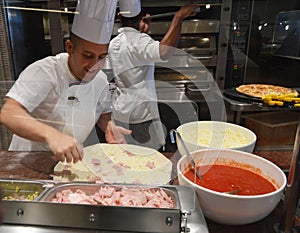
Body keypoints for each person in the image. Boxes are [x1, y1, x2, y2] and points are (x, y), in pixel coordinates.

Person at [0, 0, 131, 163]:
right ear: (70, 47)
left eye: (102, 57)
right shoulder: (46, 71)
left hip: (69, 164)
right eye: (88, 56)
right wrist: (51, 135)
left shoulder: (101, 81)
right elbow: (9, 113)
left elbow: (103, 111)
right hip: (27, 162)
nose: (94, 65)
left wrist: (109, 126)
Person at [108, 0, 199, 150]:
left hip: (120, 111)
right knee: (146, 156)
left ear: (119, 17)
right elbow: (164, 52)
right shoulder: (140, 41)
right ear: (142, 17)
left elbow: (134, 49)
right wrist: (179, 17)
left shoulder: (114, 43)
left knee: (124, 154)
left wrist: (140, 31)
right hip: (140, 115)